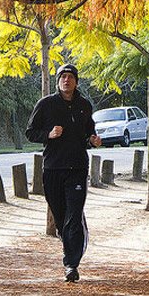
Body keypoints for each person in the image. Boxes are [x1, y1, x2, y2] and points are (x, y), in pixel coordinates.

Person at [25, 64, 101, 282]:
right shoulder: (46, 104)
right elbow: (30, 132)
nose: (66, 80)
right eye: (63, 77)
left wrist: (93, 140)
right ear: (58, 81)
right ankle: (70, 238)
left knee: (73, 215)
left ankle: (71, 264)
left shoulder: (84, 105)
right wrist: (48, 134)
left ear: (76, 81)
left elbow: (89, 132)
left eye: (70, 77)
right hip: (52, 169)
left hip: (77, 168)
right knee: (61, 218)